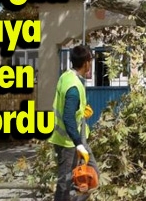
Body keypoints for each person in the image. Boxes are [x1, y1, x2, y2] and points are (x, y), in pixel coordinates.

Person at [47, 45, 100, 201]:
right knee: (65, 182)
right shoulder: (74, 88)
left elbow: (69, 108)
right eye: (90, 61)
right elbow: (68, 118)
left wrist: (82, 110)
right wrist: (79, 144)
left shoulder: (67, 76)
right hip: (67, 142)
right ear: (86, 63)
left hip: (73, 138)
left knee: (89, 175)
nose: (90, 64)